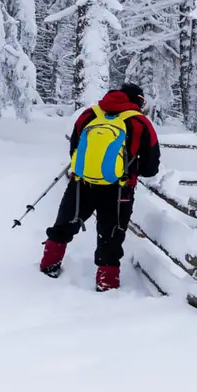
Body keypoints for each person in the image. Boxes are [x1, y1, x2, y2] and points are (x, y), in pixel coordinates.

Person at [39, 82, 161, 291]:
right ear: (139, 101)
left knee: (63, 225)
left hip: (81, 183)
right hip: (119, 189)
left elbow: (75, 151)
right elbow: (151, 168)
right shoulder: (140, 122)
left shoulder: (89, 114)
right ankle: (106, 285)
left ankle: (48, 267)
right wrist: (127, 166)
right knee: (111, 236)